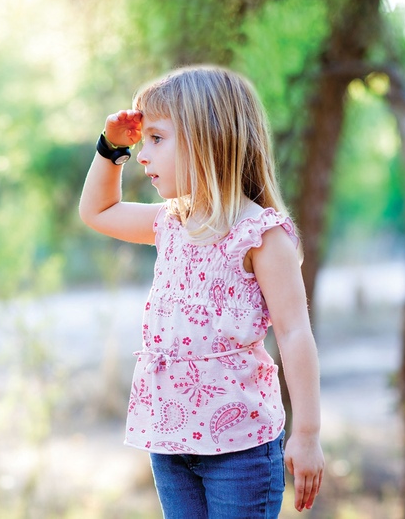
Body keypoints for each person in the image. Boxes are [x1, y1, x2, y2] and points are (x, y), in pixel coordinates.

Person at [79, 65, 324, 518]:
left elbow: (295, 335)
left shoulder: (261, 235)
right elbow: (98, 210)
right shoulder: (169, 223)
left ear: (206, 138)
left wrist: (307, 434)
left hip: (241, 449)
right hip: (170, 442)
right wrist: (111, 147)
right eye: (141, 141)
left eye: (156, 139)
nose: (143, 155)